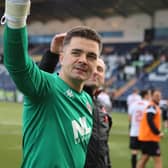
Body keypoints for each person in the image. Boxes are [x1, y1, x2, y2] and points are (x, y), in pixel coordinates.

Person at [2, 0, 103, 167]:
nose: (83, 60)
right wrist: (16, 11)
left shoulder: (86, 100)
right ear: (62, 57)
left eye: (91, 56)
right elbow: (17, 64)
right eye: (76, 53)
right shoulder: (46, 87)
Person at [38, 34, 112, 168]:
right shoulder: (63, 98)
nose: (95, 72)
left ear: (104, 77)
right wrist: (52, 54)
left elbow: (104, 150)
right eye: (93, 68)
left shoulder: (103, 111)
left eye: (100, 69)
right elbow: (41, 87)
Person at [137, 89, 164, 168]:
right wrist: (157, 132)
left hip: (147, 137)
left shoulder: (153, 106)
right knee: (158, 160)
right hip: (150, 137)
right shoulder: (152, 106)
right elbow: (149, 119)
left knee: (144, 159)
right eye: (156, 96)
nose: (158, 97)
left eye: (159, 96)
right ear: (152, 96)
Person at [128, 90, 150, 168]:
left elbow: (129, 118)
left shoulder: (133, 104)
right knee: (144, 153)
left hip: (134, 132)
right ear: (146, 95)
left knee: (134, 152)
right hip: (144, 132)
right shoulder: (148, 104)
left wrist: (130, 128)